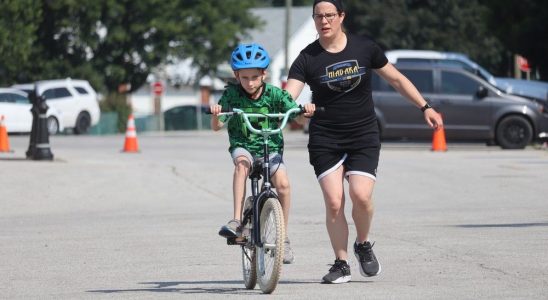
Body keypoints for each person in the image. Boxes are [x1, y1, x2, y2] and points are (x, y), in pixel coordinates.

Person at [284, 0, 443, 283]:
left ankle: (363, 243)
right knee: (334, 202)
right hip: (325, 137)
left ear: (341, 16)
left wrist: (424, 106)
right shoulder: (307, 57)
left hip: (362, 135)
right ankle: (341, 263)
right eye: (318, 16)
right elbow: (288, 95)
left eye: (330, 15)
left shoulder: (364, 47)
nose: (324, 21)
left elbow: (396, 79)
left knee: (361, 196)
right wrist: (289, 108)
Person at [210, 43, 311, 264]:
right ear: (236, 75)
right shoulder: (231, 95)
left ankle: (283, 238)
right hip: (243, 144)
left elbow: (297, 117)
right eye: (244, 78)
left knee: (283, 184)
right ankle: (236, 220)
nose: (250, 83)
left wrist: (306, 112)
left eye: (255, 77)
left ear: (264, 74)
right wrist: (216, 113)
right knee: (242, 166)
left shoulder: (276, 95)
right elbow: (217, 126)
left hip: (270, 147)